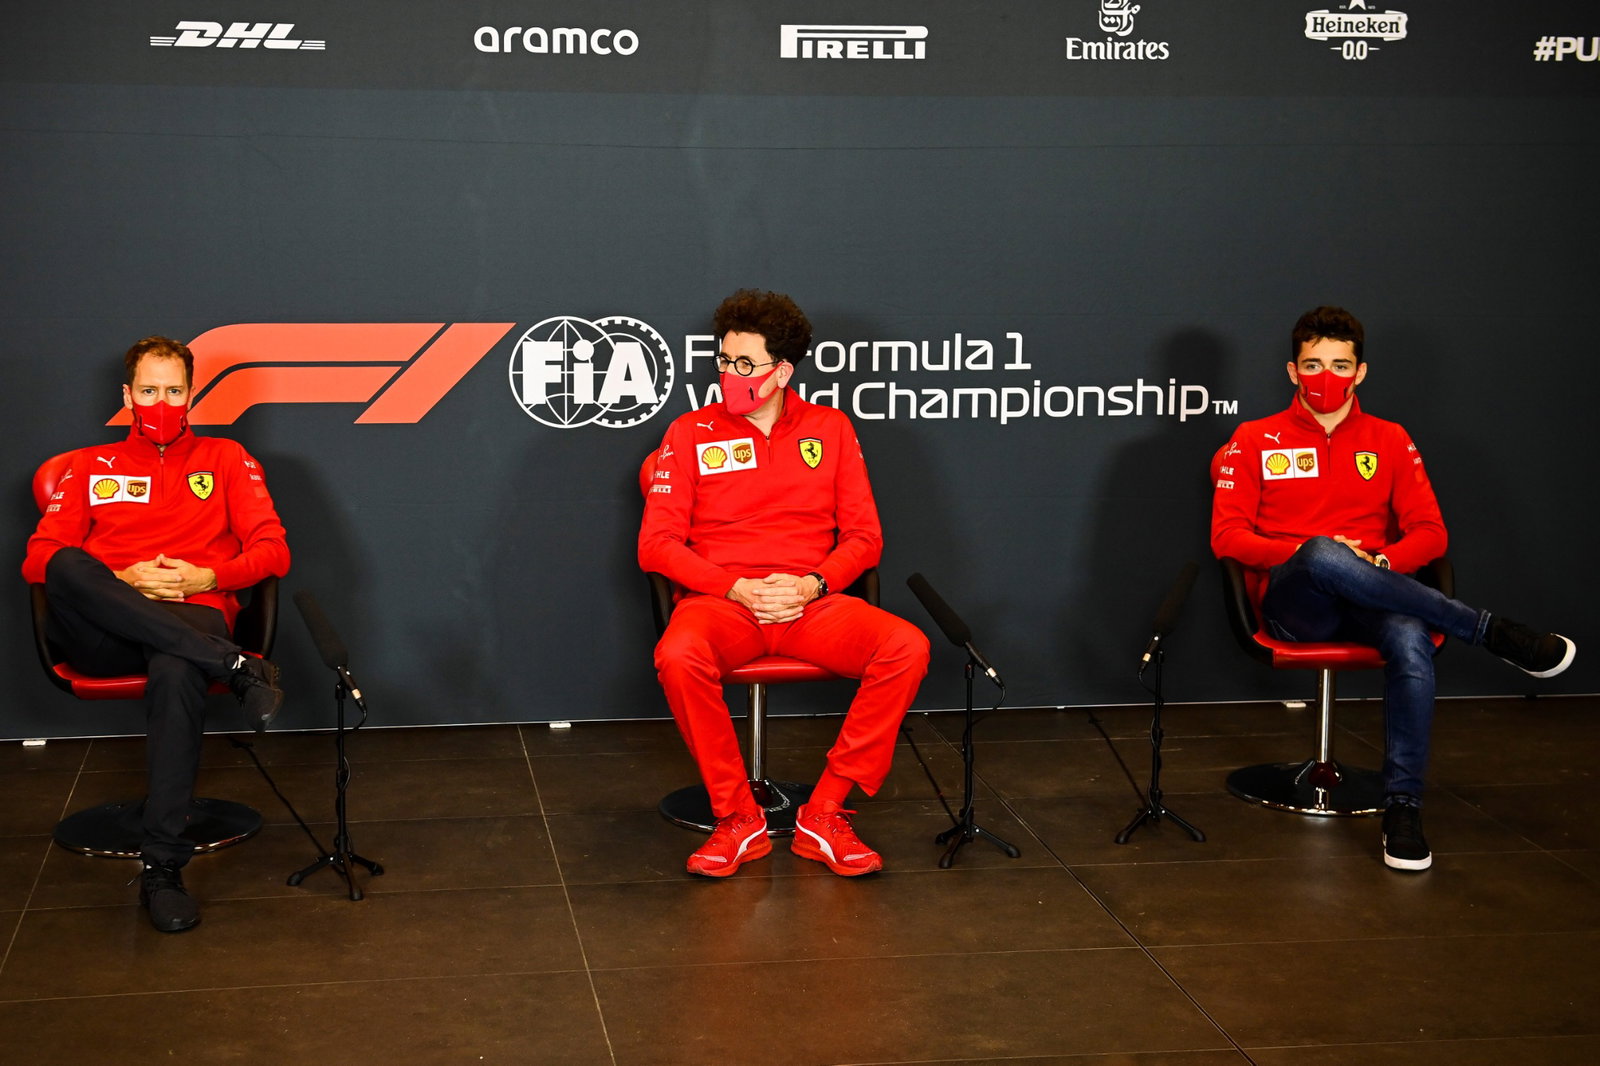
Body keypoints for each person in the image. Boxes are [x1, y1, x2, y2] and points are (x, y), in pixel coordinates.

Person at [1211, 306, 1575, 872]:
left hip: (1374, 598)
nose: (1325, 377)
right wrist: (1321, 552)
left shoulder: (1389, 438)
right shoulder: (1254, 438)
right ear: (1291, 371)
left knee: (1408, 639)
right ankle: (1488, 630)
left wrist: (1376, 561)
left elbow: (1430, 533)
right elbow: (1228, 538)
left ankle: (1402, 807)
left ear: (1359, 372)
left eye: (1338, 364)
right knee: (1321, 553)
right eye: (1312, 364)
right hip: (1295, 605)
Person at [640, 289, 930, 878]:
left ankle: (824, 812)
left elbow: (864, 539)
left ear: (782, 371)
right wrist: (734, 588)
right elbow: (657, 545)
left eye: (744, 365)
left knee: (907, 647)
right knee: (677, 652)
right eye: (723, 360)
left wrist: (813, 585)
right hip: (724, 605)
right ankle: (736, 818)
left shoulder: (831, 428)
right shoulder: (690, 432)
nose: (729, 374)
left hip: (810, 604)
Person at [22, 336, 290, 931]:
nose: (161, 402)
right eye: (149, 391)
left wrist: (209, 574)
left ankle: (162, 869)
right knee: (67, 564)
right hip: (103, 630)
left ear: (191, 394)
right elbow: (39, 559)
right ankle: (231, 664)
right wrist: (122, 580)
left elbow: (274, 551)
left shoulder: (226, 457)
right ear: (128, 396)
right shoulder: (90, 465)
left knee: (175, 663)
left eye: (173, 391)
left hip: (192, 611)